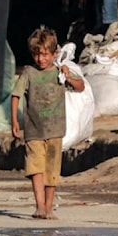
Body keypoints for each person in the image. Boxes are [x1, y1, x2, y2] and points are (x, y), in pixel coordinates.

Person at [10, 26, 84, 220]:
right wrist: (15, 122)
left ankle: (49, 207)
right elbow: (16, 96)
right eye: (36, 55)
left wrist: (68, 75)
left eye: (44, 55)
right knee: (35, 168)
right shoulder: (28, 72)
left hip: (55, 130)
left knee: (51, 171)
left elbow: (80, 87)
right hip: (33, 129)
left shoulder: (59, 73)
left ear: (54, 53)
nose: (40, 59)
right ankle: (39, 206)